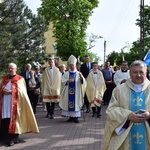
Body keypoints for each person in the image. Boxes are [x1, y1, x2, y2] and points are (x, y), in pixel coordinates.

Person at [101, 60, 150, 150]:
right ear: (130, 73)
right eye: (135, 72)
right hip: (125, 136)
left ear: (146, 73)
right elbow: (111, 111)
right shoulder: (119, 90)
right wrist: (127, 116)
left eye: (141, 72)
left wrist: (149, 115)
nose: (138, 75)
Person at [0, 63, 39, 147]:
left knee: (14, 120)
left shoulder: (20, 79)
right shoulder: (4, 79)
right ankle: (5, 137)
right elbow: (1, 87)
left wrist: (11, 92)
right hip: (5, 103)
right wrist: (2, 90)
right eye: (9, 68)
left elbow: (23, 92)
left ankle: (13, 138)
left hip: (15, 104)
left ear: (16, 69)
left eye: (12, 68)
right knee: (5, 119)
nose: (10, 70)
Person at [59, 55, 86, 123]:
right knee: (69, 103)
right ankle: (70, 117)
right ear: (69, 66)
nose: (71, 66)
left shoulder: (79, 73)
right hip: (68, 92)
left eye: (73, 65)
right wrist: (67, 81)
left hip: (76, 92)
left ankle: (76, 118)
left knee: (76, 104)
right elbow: (62, 82)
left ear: (75, 66)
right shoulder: (66, 74)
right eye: (70, 65)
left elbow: (84, 83)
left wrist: (81, 79)